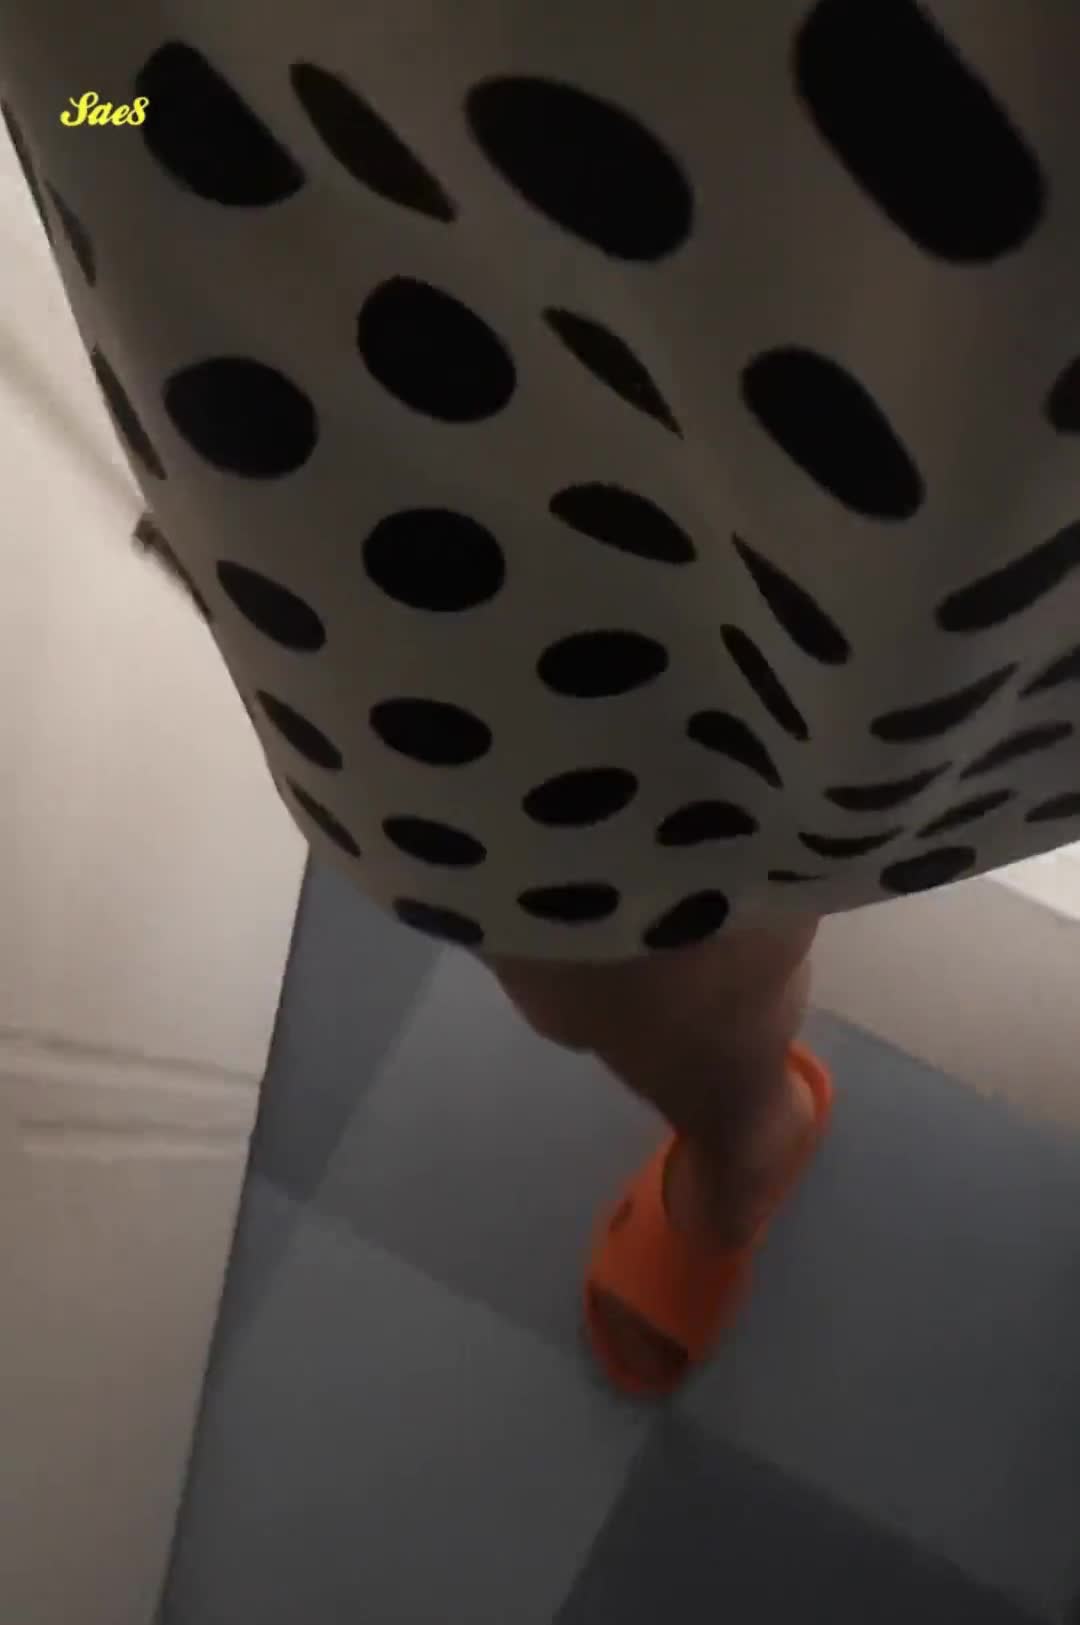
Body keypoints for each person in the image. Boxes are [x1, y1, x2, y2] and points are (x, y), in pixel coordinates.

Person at [6, 2, 1080, 1393]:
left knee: (869, 645)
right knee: (579, 903)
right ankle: (744, 1127)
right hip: (244, 97)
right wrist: (107, 109)